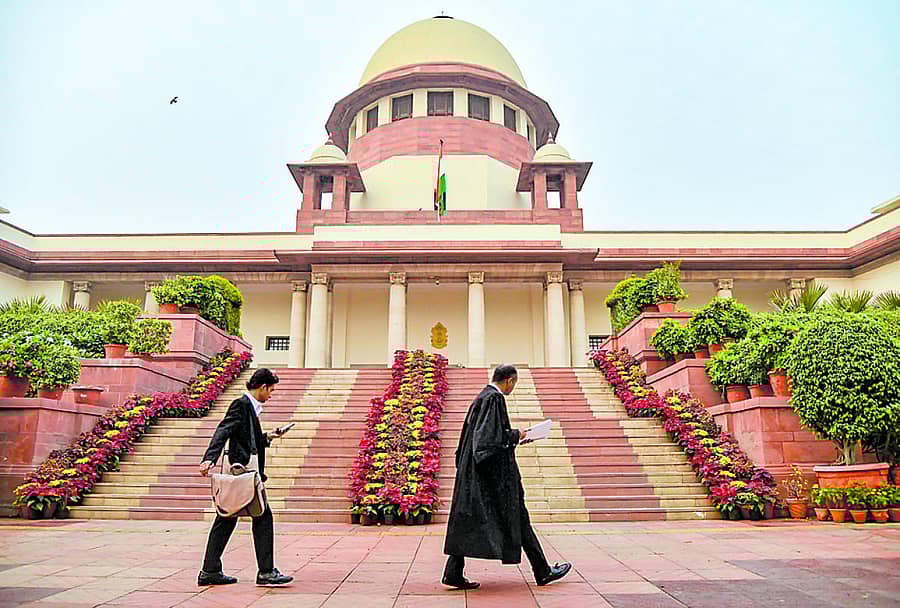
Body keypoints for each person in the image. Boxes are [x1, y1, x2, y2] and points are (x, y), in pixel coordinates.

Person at [442, 364, 571, 589]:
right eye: (514, 384)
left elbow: (480, 438)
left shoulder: (482, 397)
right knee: (519, 518)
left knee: (469, 522)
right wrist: (515, 434)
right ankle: (542, 571)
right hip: (493, 479)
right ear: (509, 381)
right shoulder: (494, 398)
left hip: (474, 474)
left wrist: (514, 438)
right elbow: (486, 442)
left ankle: (453, 572)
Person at [197, 368, 293, 587]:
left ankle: (210, 570)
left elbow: (245, 436)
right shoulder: (241, 404)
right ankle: (266, 572)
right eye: (271, 390)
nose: (271, 394)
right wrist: (209, 459)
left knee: (227, 518)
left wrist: (267, 436)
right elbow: (224, 429)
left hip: (244, 470)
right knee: (262, 516)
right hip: (242, 471)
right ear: (262, 387)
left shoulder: (249, 407)